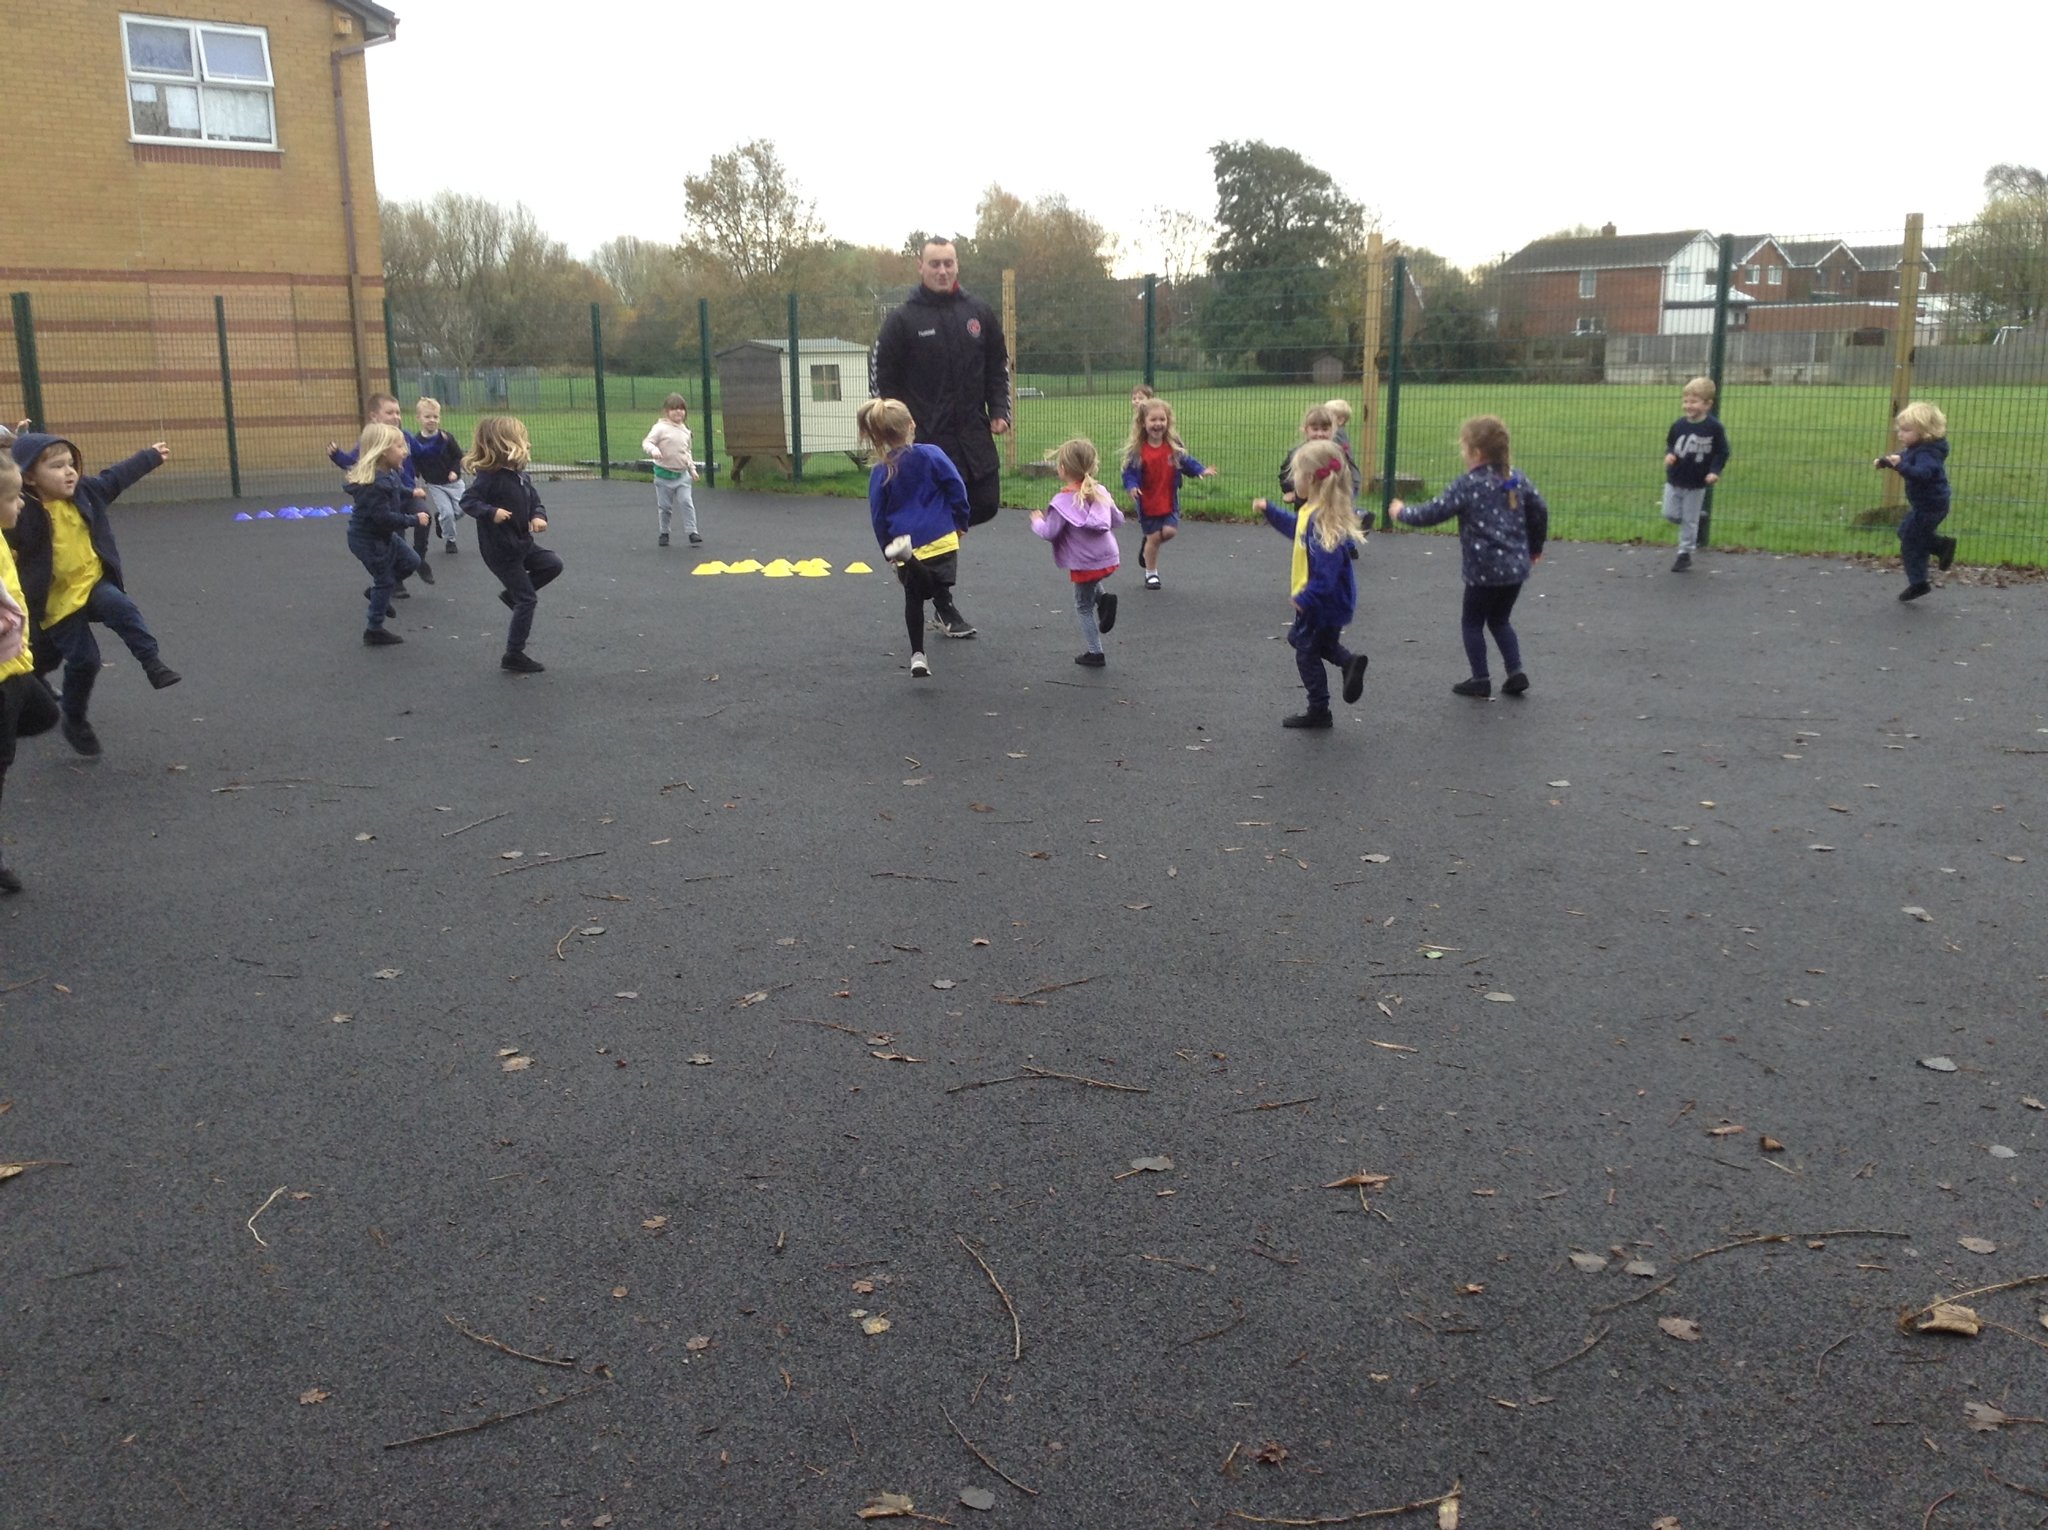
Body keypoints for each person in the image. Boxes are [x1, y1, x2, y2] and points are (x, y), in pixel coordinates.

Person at [5, 430, 179, 759]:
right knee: (84, 661)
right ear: (29, 477)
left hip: (93, 583)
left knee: (120, 605)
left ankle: (153, 663)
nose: (69, 471)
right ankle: (74, 719)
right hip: (56, 602)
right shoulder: (22, 512)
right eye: (57, 467)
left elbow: (117, 477)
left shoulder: (87, 492)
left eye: (72, 464)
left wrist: (150, 457)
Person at [870, 239, 1011, 639]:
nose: (943, 270)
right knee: (938, 520)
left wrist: (1000, 410)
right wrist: (893, 429)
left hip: (972, 433)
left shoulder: (977, 312)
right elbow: (882, 380)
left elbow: (997, 366)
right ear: (921, 267)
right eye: (935, 264)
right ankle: (942, 602)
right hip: (924, 443)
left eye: (948, 263)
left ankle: (921, 567)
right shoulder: (903, 320)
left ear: (957, 265)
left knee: (983, 505)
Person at [1387, 415, 1548, 699]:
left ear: (1475, 452)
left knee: (1472, 622)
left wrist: (1402, 512)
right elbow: (1540, 511)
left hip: (1482, 570)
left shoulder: (1468, 484)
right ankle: (1515, 671)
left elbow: (1433, 512)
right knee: (1500, 620)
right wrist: (1534, 548)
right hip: (1515, 569)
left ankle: (1480, 678)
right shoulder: (1516, 479)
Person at [1254, 440, 1368, 730]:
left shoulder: (1324, 522)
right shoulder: (1314, 511)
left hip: (1323, 603)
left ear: (1311, 479)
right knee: (1320, 643)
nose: (1293, 480)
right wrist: (1271, 511)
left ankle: (1319, 709)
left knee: (1305, 648)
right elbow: (1296, 529)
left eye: (1297, 474)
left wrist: (1307, 597)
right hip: (1327, 602)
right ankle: (1348, 662)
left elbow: (1327, 573)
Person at [857, 398, 969, 681]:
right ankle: (938, 608)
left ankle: (918, 655)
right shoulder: (932, 454)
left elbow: (878, 514)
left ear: (880, 435)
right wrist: (961, 520)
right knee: (933, 589)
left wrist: (888, 550)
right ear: (912, 426)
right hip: (942, 537)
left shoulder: (880, 471)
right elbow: (956, 486)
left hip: (906, 540)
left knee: (914, 597)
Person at [0, 455, 62, 893]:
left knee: (43, 714)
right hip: (2, 673)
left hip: (14, 669)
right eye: (10, 497)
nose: (20, 503)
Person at [461, 417, 562, 674]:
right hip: (501, 551)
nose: (527, 443)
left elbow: (535, 501)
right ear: (506, 445)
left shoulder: (520, 476)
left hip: (522, 543)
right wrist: (490, 511)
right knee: (527, 600)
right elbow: (468, 501)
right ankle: (514, 654)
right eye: (522, 439)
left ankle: (511, 596)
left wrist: (538, 516)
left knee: (552, 564)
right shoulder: (489, 478)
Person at [1031, 438, 1123, 668]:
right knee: (1093, 582)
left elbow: (1049, 532)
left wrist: (1037, 522)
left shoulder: (1063, 502)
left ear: (1062, 469)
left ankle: (1095, 652)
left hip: (1085, 562)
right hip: (1108, 556)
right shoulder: (1099, 492)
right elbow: (1118, 519)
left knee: (1082, 606)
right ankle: (1104, 600)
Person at [331, 393, 430, 590]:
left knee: (425, 515)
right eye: (390, 412)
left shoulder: (406, 436)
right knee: (395, 532)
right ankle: (396, 582)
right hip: (384, 497)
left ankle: (419, 557)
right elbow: (352, 463)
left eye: (398, 412)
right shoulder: (370, 441)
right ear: (374, 416)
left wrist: (439, 442)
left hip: (407, 491)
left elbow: (423, 451)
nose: (396, 417)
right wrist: (337, 456)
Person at [344, 422, 431, 647]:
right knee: (385, 581)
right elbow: (383, 518)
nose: (406, 451)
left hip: (381, 535)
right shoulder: (374, 485)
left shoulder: (388, 474)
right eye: (400, 446)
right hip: (367, 539)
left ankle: (376, 596)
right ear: (383, 451)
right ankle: (374, 629)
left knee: (412, 561)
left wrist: (411, 491)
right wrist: (414, 520)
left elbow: (396, 488)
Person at [1120, 399, 1215, 590]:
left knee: (1169, 532)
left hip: (1168, 499)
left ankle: (1148, 548)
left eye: (1162, 419)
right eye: (1153, 420)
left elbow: (1187, 461)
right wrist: (1131, 486)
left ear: (1168, 421)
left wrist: (1199, 471)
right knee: (1155, 538)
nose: (1158, 424)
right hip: (1147, 501)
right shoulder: (1138, 451)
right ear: (1143, 423)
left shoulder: (1173, 446)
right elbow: (1129, 472)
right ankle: (1151, 574)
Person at [1875, 400, 1955, 602]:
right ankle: (1936, 551)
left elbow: (1922, 474)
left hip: (1932, 505)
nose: (1900, 434)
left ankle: (1922, 577)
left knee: (1911, 538)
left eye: (1906, 430)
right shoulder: (1917, 448)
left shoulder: (1928, 453)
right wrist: (1889, 461)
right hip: (1927, 504)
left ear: (1925, 432)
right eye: (1900, 430)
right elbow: (1904, 457)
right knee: (1907, 534)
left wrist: (1899, 466)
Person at [1662, 376, 1730, 572]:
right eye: (1685, 401)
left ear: (1708, 404)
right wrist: (1669, 455)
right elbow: (1671, 444)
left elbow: (1722, 452)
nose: (1688, 406)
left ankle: (1684, 554)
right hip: (1674, 479)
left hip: (1696, 483)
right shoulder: (1678, 425)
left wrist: (1714, 472)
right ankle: (1699, 518)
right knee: (1670, 514)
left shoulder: (1714, 428)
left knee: (1688, 522)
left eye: (1694, 402)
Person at [640, 394, 700, 548]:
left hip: (682, 475)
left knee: (687, 502)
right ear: (666, 412)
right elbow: (647, 442)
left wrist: (692, 470)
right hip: (664, 475)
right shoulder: (660, 428)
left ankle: (692, 532)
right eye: (674, 409)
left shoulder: (685, 431)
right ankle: (664, 532)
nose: (678, 412)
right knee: (665, 507)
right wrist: (653, 450)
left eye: (681, 409)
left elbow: (686, 452)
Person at [409, 397, 466, 555]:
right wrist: (414, 478)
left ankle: (441, 519)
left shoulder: (446, 438)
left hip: (455, 483)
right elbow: (415, 462)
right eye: (427, 417)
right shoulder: (416, 441)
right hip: (435, 485)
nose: (432, 420)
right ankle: (450, 540)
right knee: (448, 513)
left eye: (435, 417)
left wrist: (455, 471)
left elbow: (457, 456)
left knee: (462, 509)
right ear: (418, 418)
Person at [1278, 404, 1343, 506]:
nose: (1320, 434)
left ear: (1333, 430)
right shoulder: (1298, 453)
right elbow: (1285, 473)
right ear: (1306, 430)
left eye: (1325, 429)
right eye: (1315, 429)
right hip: (1305, 501)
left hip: (1330, 502)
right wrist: (1289, 491)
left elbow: (1347, 476)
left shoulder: (1337, 453)